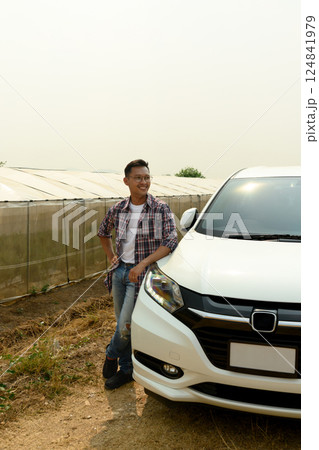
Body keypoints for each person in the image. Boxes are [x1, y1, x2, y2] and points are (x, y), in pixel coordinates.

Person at [98, 159, 178, 390]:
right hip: (120, 273)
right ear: (127, 181)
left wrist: (142, 264)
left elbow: (171, 240)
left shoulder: (160, 208)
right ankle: (127, 370)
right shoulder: (118, 208)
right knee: (122, 322)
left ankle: (111, 354)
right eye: (138, 178)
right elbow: (103, 233)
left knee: (126, 325)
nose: (144, 182)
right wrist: (111, 256)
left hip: (139, 275)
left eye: (147, 177)